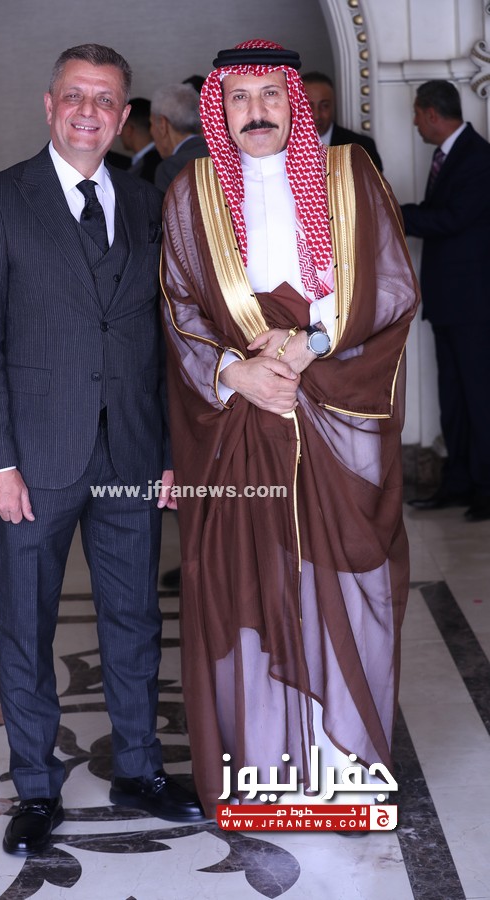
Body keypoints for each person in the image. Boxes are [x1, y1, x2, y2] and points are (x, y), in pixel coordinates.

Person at [0, 42, 203, 857]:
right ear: (49, 104)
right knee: (27, 625)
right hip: (34, 459)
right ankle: (36, 785)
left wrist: (169, 450)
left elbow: (165, 341)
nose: (88, 111)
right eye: (75, 96)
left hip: (130, 451)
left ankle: (140, 769)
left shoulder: (147, 203)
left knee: (136, 618)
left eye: (105, 100)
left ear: (124, 116)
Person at [159, 39, 419, 819]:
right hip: (241, 424)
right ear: (219, 108)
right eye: (238, 98)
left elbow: (392, 287)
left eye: (270, 94)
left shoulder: (350, 176)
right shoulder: (192, 192)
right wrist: (233, 373)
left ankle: (346, 769)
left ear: (294, 101)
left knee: (348, 584)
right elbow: (178, 305)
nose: (256, 112)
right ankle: (267, 774)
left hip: (339, 418)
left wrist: (311, 345)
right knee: (251, 582)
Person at [401, 80, 490, 521]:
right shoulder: (449, 155)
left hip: (474, 305)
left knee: (479, 398)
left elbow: (452, 219)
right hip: (449, 303)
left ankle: (486, 488)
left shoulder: (477, 157)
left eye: (417, 114)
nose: (415, 123)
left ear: (432, 113)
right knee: (452, 398)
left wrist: (395, 213)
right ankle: (458, 483)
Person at [302, 71, 383, 171]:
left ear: (333, 105)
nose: (317, 115)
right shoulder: (287, 148)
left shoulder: (362, 147)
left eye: (324, 106)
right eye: (309, 106)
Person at [150, 83, 209, 192]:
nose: (151, 131)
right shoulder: (223, 155)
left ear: (163, 124)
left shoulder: (170, 168)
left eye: (151, 124)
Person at [120, 96, 161, 183]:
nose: (118, 133)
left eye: (121, 126)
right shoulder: (161, 158)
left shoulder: (149, 166)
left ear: (128, 130)